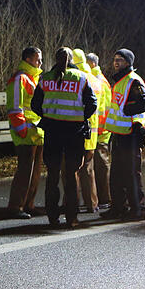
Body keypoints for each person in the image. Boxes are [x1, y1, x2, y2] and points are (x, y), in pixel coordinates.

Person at [31, 47, 97, 228]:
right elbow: (92, 104)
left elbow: (35, 104)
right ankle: (71, 217)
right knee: (71, 175)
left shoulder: (45, 78)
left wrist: (48, 115)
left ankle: (53, 216)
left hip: (52, 131)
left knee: (52, 175)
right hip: (73, 132)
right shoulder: (81, 78)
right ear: (71, 59)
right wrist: (79, 117)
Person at [100, 48, 145, 222]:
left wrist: (129, 109)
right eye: (115, 59)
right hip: (119, 134)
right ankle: (118, 208)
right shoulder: (120, 81)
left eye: (120, 60)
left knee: (131, 174)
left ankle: (138, 210)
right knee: (116, 175)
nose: (116, 62)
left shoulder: (133, 81)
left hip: (130, 134)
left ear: (128, 63)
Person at [5, 46, 43, 218]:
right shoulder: (20, 78)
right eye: (37, 59)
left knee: (35, 171)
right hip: (27, 131)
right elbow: (15, 107)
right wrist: (22, 130)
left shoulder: (33, 79)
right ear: (28, 59)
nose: (40, 62)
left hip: (36, 132)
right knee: (25, 170)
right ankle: (16, 206)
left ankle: (28, 204)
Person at [71, 48, 99, 213]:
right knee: (89, 170)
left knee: (73, 168)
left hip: (77, 131)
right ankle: (92, 204)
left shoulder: (76, 79)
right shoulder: (94, 79)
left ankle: (72, 203)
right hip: (93, 132)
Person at [86, 52, 112, 212]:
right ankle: (102, 199)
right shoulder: (97, 80)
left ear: (92, 64)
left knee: (102, 165)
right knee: (97, 167)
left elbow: (105, 108)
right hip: (98, 130)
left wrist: (100, 130)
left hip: (101, 132)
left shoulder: (99, 81)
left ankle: (106, 199)